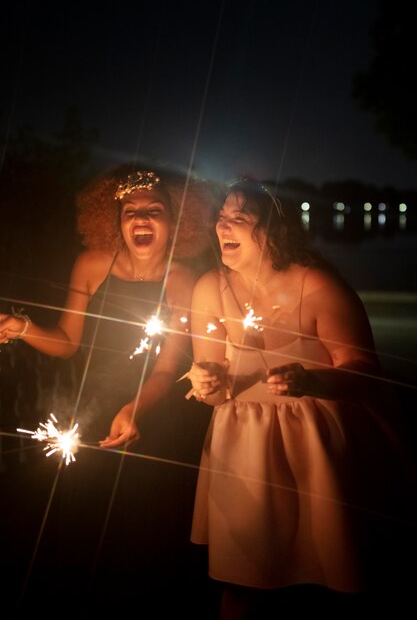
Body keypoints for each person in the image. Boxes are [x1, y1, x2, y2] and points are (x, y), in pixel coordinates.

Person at [0, 163, 218, 611]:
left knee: (141, 538)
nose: (140, 219)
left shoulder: (183, 280)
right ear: (113, 219)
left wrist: (136, 409)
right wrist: (22, 327)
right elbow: (66, 343)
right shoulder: (91, 265)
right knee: (80, 528)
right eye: (129, 211)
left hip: (153, 415)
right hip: (92, 413)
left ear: (175, 220)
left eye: (153, 210)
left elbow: (166, 368)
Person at [186, 177, 408, 617]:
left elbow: (366, 371)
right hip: (242, 452)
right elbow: (212, 385)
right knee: (242, 584)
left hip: (319, 450)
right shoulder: (209, 288)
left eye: (240, 219)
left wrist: (314, 382)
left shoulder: (319, 286)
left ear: (274, 229)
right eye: (221, 217)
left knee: (333, 576)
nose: (223, 227)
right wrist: (206, 384)